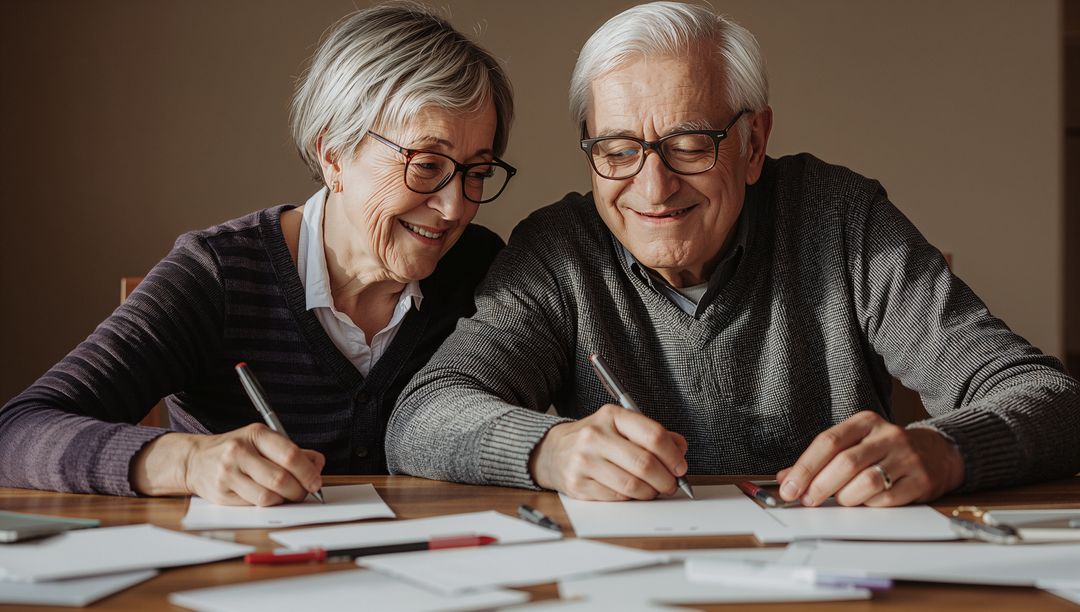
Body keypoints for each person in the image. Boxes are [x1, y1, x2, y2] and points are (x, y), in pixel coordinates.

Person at [387, 1, 1080, 507]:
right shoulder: (556, 251)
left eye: (689, 143)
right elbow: (424, 414)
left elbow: (1051, 399)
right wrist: (549, 449)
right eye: (619, 150)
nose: (652, 188)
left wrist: (944, 450)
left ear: (752, 144)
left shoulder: (841, 218)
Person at [0, 2, 514, 506]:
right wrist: (187, 462)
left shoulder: (479, 268)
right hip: (244, 575)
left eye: (477, 172)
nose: (454, 208)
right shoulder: (218, 274)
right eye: (426, 165)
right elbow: (18, 429)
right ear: (333, 155)